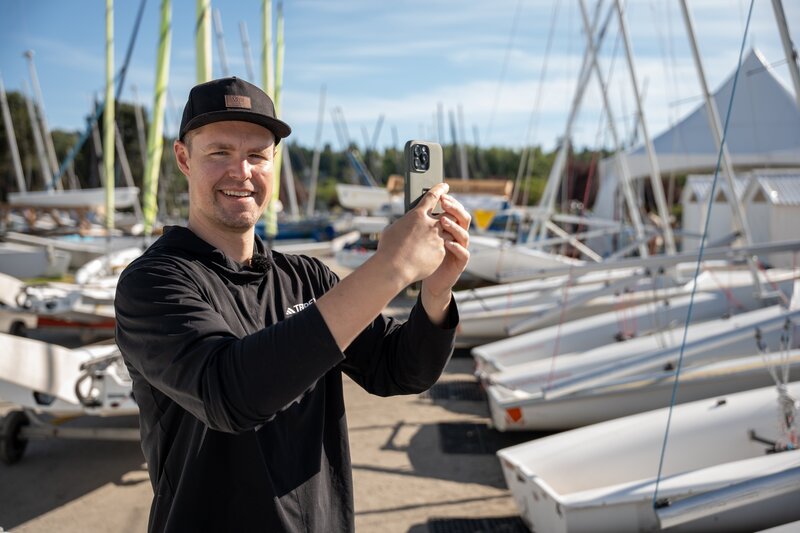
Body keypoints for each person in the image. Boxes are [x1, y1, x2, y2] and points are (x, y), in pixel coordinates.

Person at [114, 76, 470, 532]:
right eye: (219, 152)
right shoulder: (153, 282)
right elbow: (230, 395)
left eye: (256, 155)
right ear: (184, 158)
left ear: (274, 163)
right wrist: (390, 268)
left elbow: (399, 370)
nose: (240, 172)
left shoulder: (307, 277)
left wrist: (435, 293)